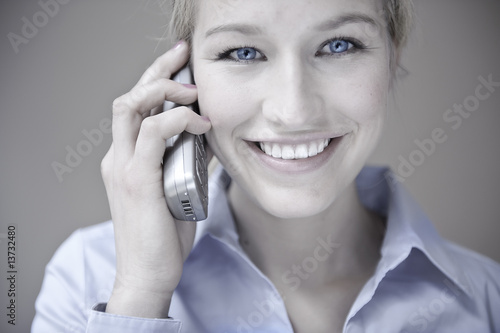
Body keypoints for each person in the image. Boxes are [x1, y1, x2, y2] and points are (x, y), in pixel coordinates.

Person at [32, 0, 500, 332]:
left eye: (339, 45)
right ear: (186, 77)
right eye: (243, 52)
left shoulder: (488, 300)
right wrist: (142, 294)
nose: (293, 112)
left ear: (392, 57)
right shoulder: (89, 277)